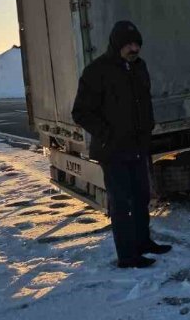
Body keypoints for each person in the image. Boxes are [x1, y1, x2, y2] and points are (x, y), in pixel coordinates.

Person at [72, 20, 172, 268]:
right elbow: (81, 112)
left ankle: (143, 242)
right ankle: (127, 256)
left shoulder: (139, 67)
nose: (134, 48)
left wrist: (147, 127)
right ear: (117, 45)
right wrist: (107, 134)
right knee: (122, 203)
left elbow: (143, 102)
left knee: (141, 197)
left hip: (138, 146)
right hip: (113, 150)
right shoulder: (97, 71)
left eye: (136, 44)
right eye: (128, 44)